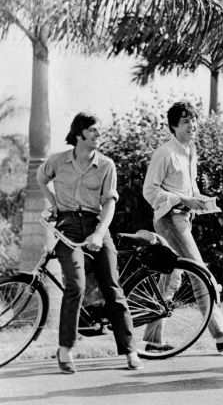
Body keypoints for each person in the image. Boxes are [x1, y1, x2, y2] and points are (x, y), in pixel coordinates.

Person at [37, 112, 142, 374]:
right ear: (79, 133)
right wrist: (54, 206)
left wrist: (98, 235)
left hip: (96, 224)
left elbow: (109, 204)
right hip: (68, 227)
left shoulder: (107, 165)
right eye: (93, 130)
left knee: (112, 287)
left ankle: (130, 351)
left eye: (99, 130)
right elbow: (41, 177)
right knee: (75, 286)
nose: (98, 134)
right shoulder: (58, 161)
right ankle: (66, 350)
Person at [142, 101, 223, 353]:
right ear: (173, 126)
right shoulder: (165, 153)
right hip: (170, 219)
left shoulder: (190, 151)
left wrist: (200, 201)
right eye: (186, 121)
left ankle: (153, 341)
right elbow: (150, 191)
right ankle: (222, 334)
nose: (193, 125)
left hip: (183, 218)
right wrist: (182, 200)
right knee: (199, 272)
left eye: (194, 120)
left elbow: (188, 190)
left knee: (171, 277)